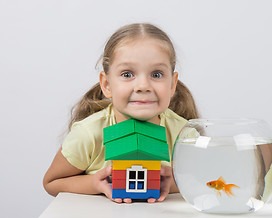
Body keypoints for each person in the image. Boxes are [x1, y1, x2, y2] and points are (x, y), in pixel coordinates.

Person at [43, 23, 199, 204]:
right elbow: (51, 183)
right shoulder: (88, 134)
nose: (143, 86)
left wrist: (173, 182)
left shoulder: (184, 135)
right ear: (107, 84)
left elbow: (204, 179)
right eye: (127, 74)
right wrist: (94, 183)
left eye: (156, 74)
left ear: (172, 84)